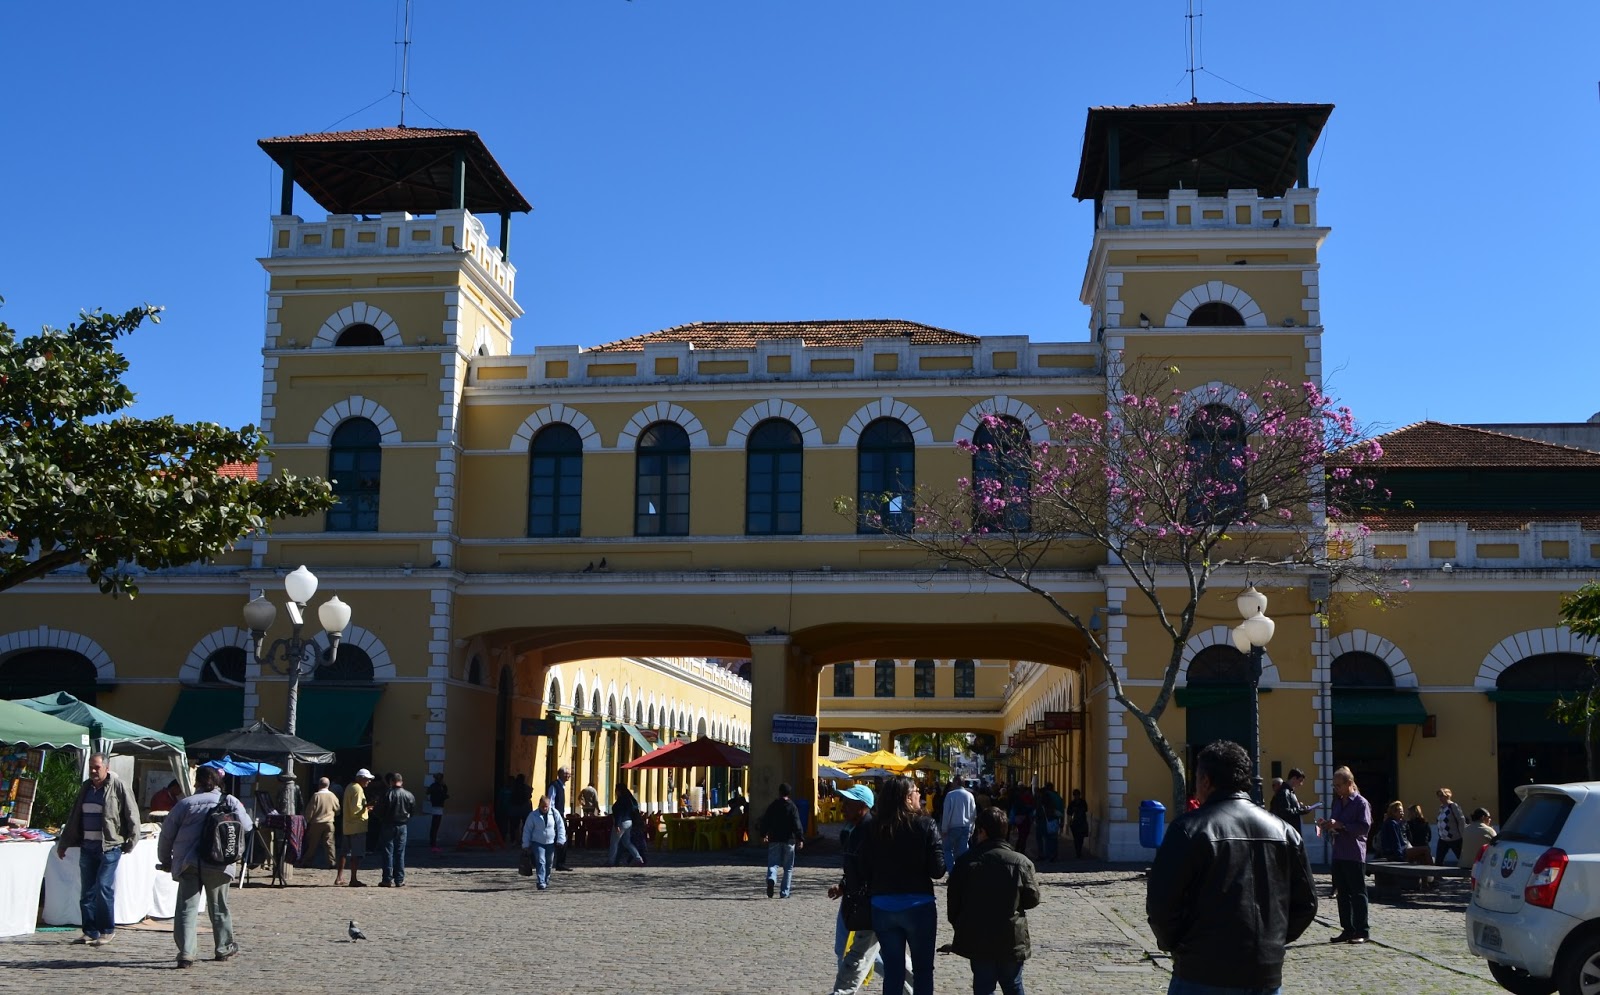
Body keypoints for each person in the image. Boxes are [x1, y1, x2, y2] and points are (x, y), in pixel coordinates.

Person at [1147, 740, 1317, 994]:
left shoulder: (1189, 829)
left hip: (1202, 971)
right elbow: (1306, 904)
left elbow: (1162, 903)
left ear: (1205, 781)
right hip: (1263, 973)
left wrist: (1177, 945)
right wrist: (1271, 942)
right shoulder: (1285, 832)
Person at [157, 764, 252, 968]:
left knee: (186, 909)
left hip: (189, 863)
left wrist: (165, 860)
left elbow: (166, 835)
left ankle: (186, 953)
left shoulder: (185, 804)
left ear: (197, 782)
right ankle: (223, 947)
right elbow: (247, 825)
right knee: (219, 907)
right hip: (219, 862)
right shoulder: (230, 801)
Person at [859, 775, 945, 995]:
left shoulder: (873, 827)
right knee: (923, 969)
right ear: (908, 797)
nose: (920, 795)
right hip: (918, 905)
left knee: (893, 971)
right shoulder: (926, 824)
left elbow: (863, 867)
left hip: (883, 905)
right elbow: (937, 870)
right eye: (916, 791)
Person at [827, 783, 912, 995]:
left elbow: (875, 870)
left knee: (857, 954)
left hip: (871, 905)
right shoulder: (854, 831)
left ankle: (842, 992)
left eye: (848, 803)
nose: (842, 806)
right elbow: (857, 869)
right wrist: (843, 886)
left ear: (863, 806)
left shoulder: (872, 831)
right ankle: (917, 987)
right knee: (885, 953)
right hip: (863, 903)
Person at [949, 806, 1040, 995]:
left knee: (983, 986)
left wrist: (961, 926)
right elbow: (1032, 899)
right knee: (1013, 984)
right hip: (1011, 935)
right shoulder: (1021, 862)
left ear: (982, 832)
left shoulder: (965, 863)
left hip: (978, 935)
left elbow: (954, 903)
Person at [56, 753, 141, 947]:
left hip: (109, 847)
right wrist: (64, 843)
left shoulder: (118, 786)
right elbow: (74, 816)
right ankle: (90, 931)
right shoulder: (86, 787)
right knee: (87, 892)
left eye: (97, 767)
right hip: (88, 847)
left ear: (106, 767)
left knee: (103, 887)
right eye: (91, 767)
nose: (93, 771)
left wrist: (131, 841)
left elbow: (132, 814)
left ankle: (107, 930)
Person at [1317, 765, 1372, 944]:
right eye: (1334, 786)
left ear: (1349, 783)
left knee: (1358, 893)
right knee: (1342, 894)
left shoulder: (1361, 803)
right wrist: (1329, 826)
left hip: (1354, 853)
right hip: (1339, 852)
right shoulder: (1338, 802)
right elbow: (1337, 823)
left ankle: (1362, 930)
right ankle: (1347, 929)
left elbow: (1364, 827)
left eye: (1338, 785)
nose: (1336, 789)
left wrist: (1342, 825)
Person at [759, 782, 805, 898]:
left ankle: (771, 878)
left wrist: (763, 834)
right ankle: (784, 892)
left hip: (775, 839)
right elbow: (797, 824)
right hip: (789, 840)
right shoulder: (792, 807)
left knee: (773, 863)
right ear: (789, 794)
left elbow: (766, 820)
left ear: (779, 792)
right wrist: (800, 838)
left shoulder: (773, 806)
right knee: (788, 868)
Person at [521, 793, 567, 890]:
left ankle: (546, 879)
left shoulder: (554, 813)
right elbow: (527, 830)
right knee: (540, 861)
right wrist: (526, 843)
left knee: (549, 862)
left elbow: (560, 826)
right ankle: (541, 881)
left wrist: (561, 839)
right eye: (543, 806)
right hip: (537, 842)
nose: (545, 808)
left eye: (546, 806)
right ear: (539, 805)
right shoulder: (533, 815)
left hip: (550, 842)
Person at [338, 769, 375, 887]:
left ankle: (339, 877)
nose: (368, 781)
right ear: (360, 778)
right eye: (367, 779)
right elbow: (356, 809)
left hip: (347, 825)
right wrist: (367, 808)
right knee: (356, 854)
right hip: (357, 826)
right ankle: (353, 879)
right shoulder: (358, 789)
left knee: (344, 852)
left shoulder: (349, 787)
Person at [378, 771, 415, 887]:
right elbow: (412, 811)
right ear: (401, 782)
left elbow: (379, 810)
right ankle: (399, 879)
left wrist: (382, 818)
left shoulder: (386, 794)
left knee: (387, 852)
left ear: (391, 782)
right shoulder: (408, 795)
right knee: (400, 852)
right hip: (402, 825)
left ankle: (387, 879)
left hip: (388, 824)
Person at [301, 777, 340, 872]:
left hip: (317, 822)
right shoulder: (332, 795)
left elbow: (310, 810)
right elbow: (338, 809)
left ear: (319, 784)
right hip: (329, 822)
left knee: (312, 844)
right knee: (330, 843)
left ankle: (307, 861)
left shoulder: (316, 795)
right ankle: (332, 862)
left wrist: (307, 820)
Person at [939, 778, 975, 873]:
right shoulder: (970, 795)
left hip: (952, 827)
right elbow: (973, 813)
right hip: (966, 827)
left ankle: (952, 871)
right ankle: (962, 872)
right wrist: (972, 828)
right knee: (962, 852)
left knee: (947, 850)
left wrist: (944, 829)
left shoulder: (950, 795)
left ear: (956, 782)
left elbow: (946, 813)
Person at [609, 783, 644, 867]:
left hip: (621, 823)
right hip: (629, 822)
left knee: (614, 843)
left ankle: (611, 861)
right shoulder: (629, 799)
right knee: (627, 842)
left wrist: (617, 824)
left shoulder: (621, 800)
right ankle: (638, 858)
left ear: (619, 791)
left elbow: (620, 813)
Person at [545, 767, 570, 870]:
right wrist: (554, 816)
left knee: (562, 839)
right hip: (556, 816)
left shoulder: (561, 786)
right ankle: (557, 863)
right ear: (561, 774)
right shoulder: (554, 786)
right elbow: (551, 802)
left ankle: (560, 862)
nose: (569, 775)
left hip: (560, 816)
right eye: (567, 773)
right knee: (556, 839)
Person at [1435, 787, 1467, 865]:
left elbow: (1461, 820)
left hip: (1454, 838)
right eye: (1439, 796)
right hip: (1443, 838)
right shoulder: (1441, 808)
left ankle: (1467, 874)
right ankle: (1438, 876)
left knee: (1461, 857)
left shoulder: (1453, 806)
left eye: (1442, 796)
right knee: (1439, 860)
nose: (1440, 798)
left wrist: (1462, 834)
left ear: (1447, 796)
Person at [426, 772, 449, 852]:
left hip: (435, 807)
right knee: (435, 827)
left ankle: (432, 844)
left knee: (434, 827)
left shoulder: (433, 786)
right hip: (438, 807)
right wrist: (444, 788)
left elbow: (428, 792)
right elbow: (443, 794)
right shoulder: (440, 787)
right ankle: (433, 845)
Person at [1066, 788, 1089, 860]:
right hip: (1074, 823)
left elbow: (1085, 810)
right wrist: (1069, 821)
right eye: (1075, 795)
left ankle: (1079, 850)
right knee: (1076, 838)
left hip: (1082, 822)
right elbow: (1069, 813)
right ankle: (1078, 852)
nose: (1076, 796)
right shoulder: (1072, 803)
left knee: (1081, 838)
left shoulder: (1083, 802)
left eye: (1077, 795)